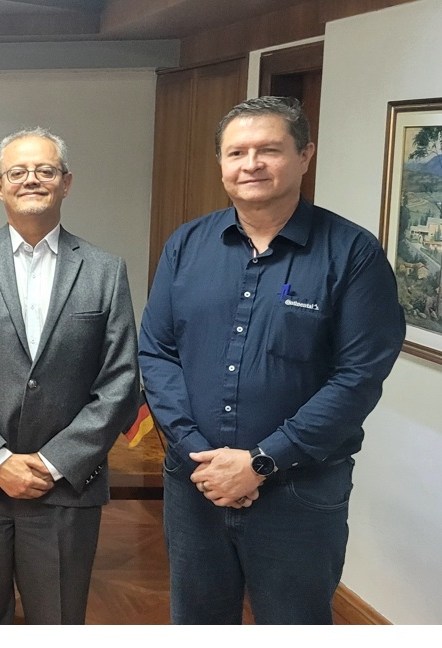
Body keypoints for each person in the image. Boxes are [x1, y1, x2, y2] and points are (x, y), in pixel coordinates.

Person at [139, 96, 405, 624]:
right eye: (237, 152)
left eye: (269, 150)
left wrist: (261, 462)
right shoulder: (186, 245)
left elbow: (357, 378)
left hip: (298, 494)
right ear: (221, 163)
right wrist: (198, 454)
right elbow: (158, 351)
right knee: (196, 623)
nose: (251, 164)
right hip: (195, 486)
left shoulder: (352, 254)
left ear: (305, 155)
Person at [0, 128, 140, 624]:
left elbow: (120, 382)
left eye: (45, 170)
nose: (31, 180)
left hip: (65, 487)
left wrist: (52, 463)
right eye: (18, 172)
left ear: (66, 183)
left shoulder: (105, 270)